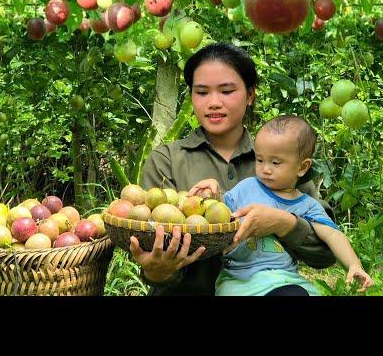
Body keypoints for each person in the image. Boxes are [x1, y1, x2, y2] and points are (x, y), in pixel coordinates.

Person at [130, 42, 337, 296]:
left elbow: (325, 254)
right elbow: (151, 254)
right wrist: (158, 269)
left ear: (250, 95)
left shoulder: (284, 157)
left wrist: (283, 223)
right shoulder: (167, 160)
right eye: (202, 92)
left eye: (227, 91)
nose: (213, 103)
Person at [193, 114, 373, 296]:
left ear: (302, 167)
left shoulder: (308, 206)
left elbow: (333, 234)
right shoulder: (247, 187)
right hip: (239, 280)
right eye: (260, 160)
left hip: (284, 279)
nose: (265, 169)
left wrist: (354, 264)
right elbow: (220, 210)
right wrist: (211, 195)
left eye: (275, 162)